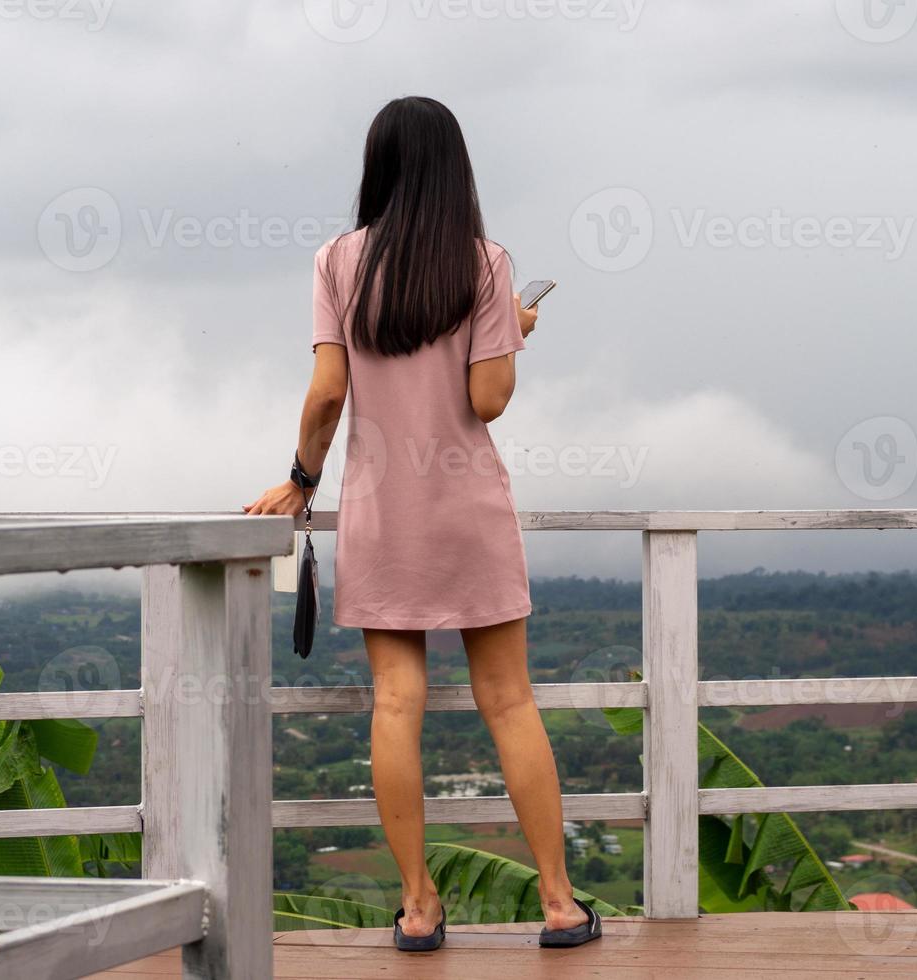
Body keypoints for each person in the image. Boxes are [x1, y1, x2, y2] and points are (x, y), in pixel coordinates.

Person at [245, 96, 601, 952]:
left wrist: (299, 480)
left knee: (395, 704)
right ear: (455, 169)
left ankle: (415, 907)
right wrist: (509, 330)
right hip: (467, 510)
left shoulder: (337, 260)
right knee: (510, 703)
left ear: (377, 165)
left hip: (382, 515)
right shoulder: (485, 264)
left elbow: (329, 392)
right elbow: (487, 398)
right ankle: (557, 902)